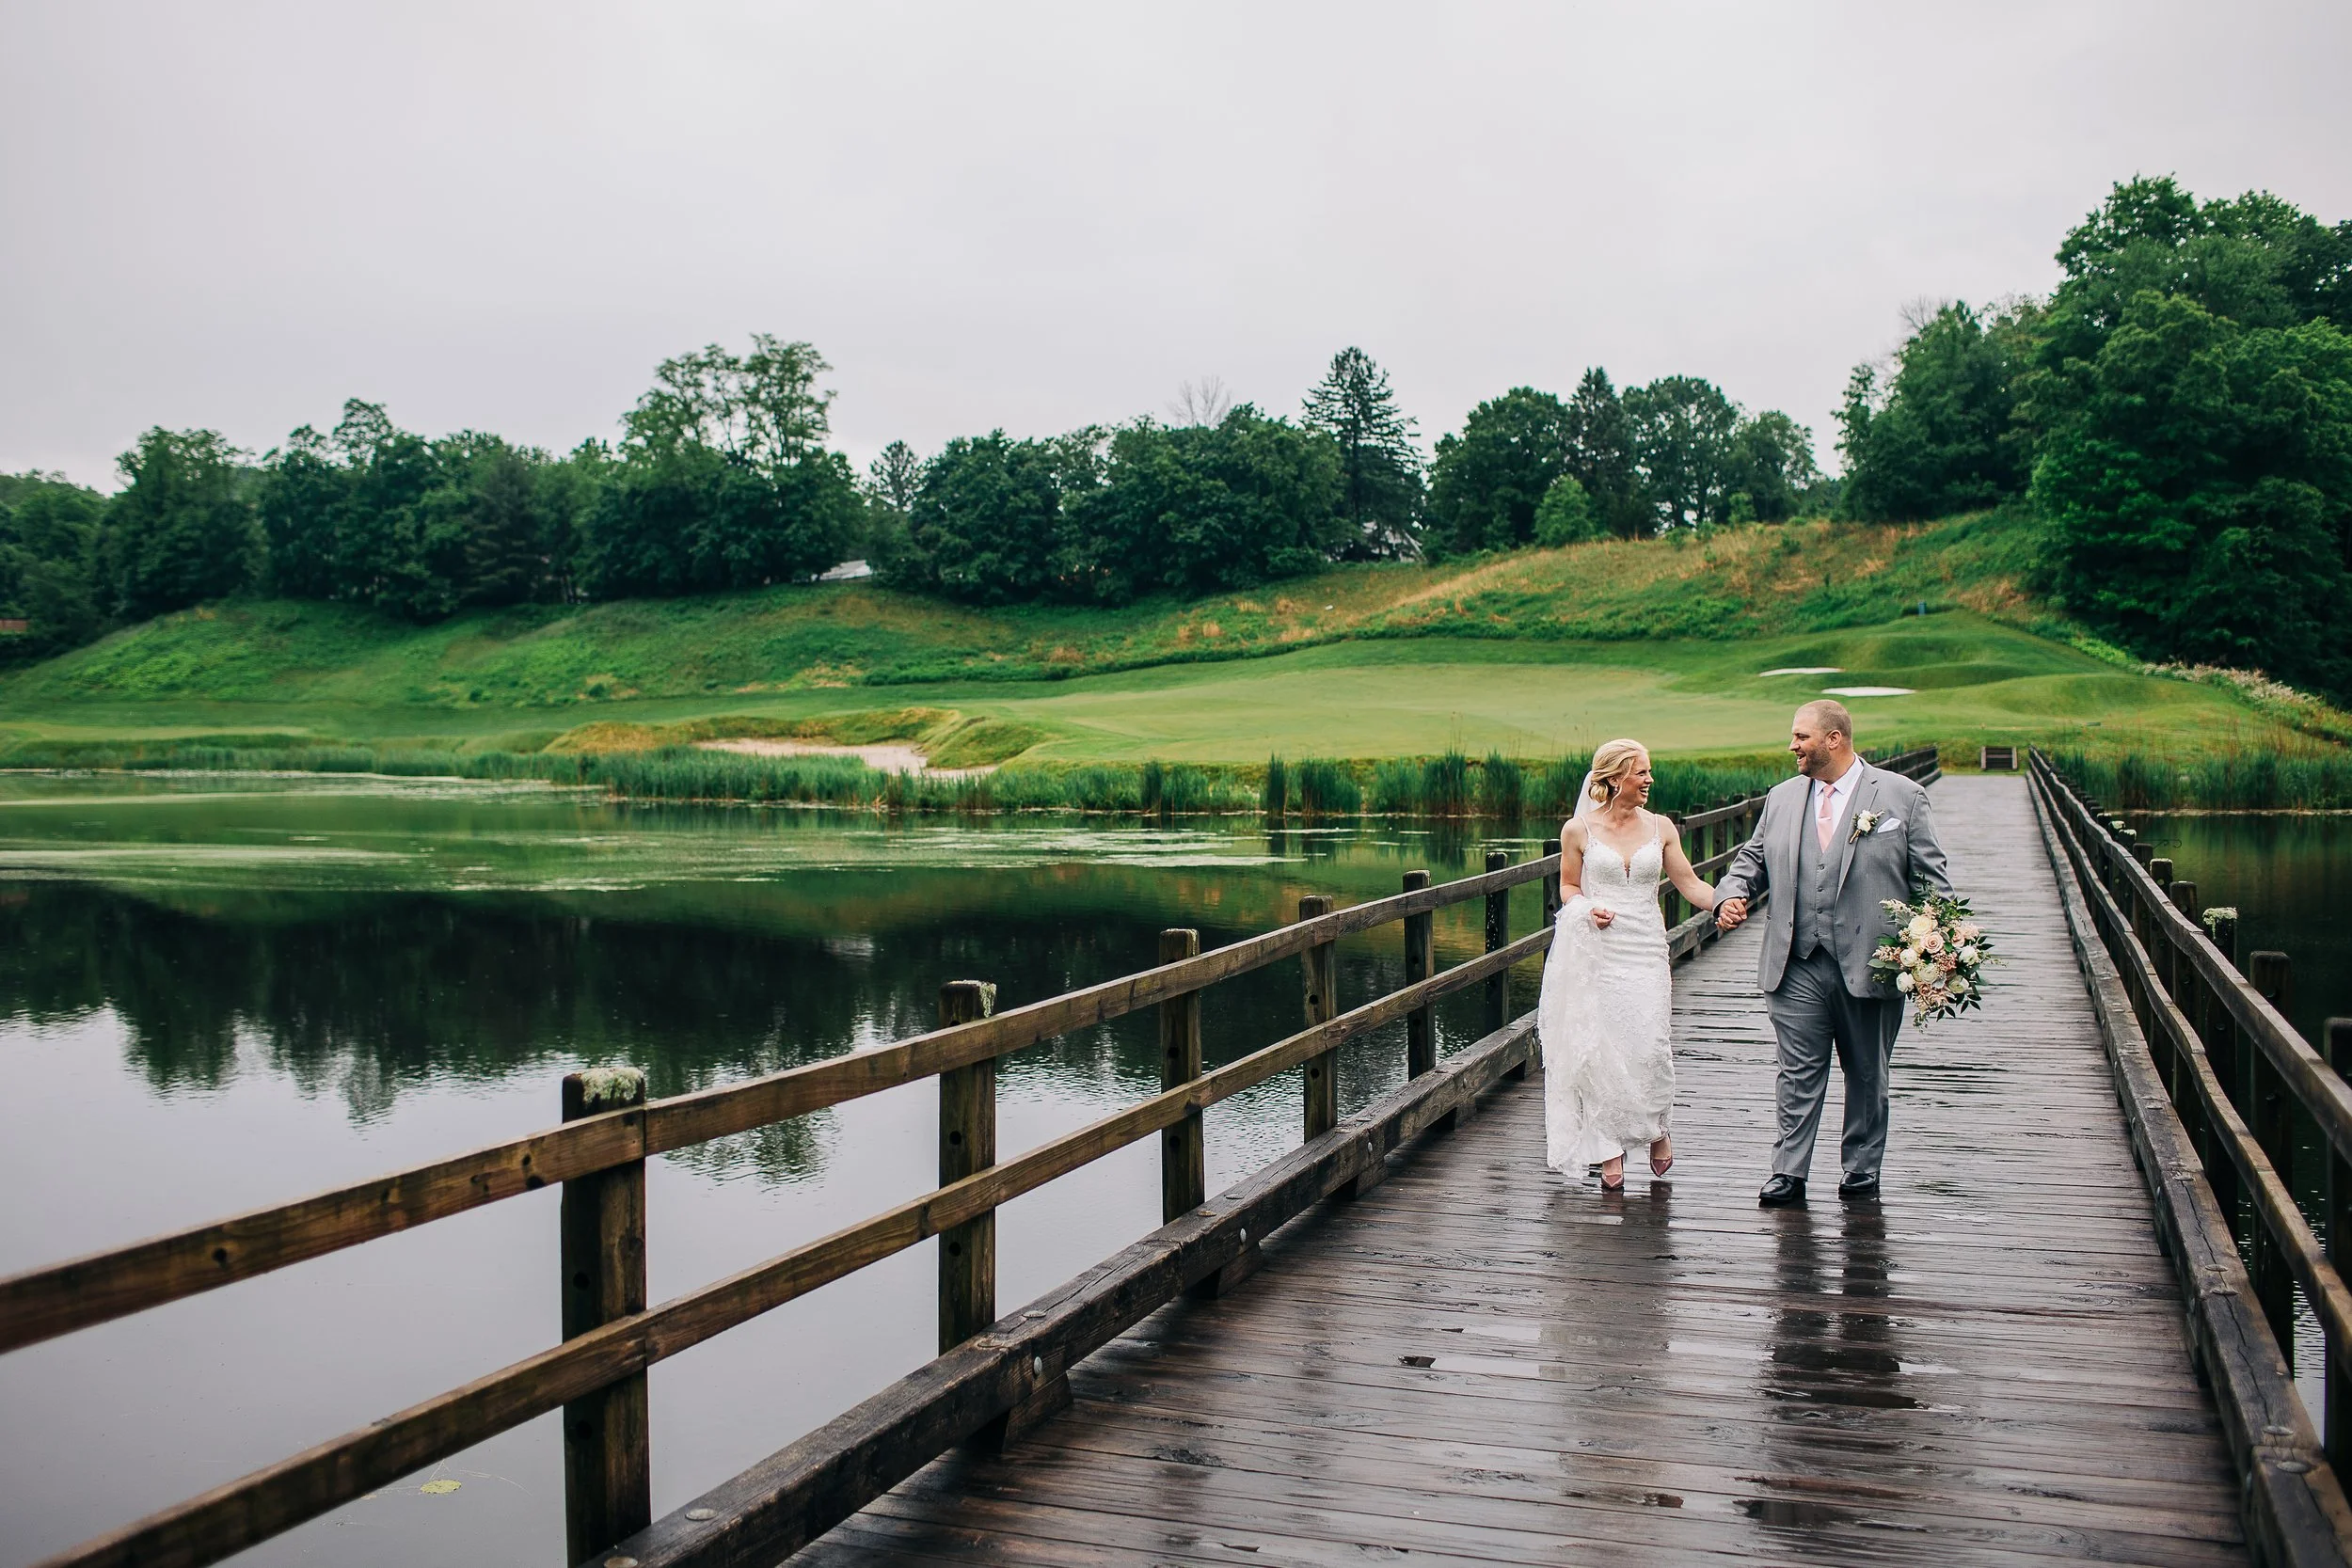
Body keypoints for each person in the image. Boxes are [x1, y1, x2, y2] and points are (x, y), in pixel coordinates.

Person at [1713, 701, 1953, 1207]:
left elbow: (1933, 884)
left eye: (1801, 737)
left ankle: (1861, 1171)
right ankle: (1788, 1171)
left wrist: (1936, 950)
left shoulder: (1901, 797)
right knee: (1797, 1070)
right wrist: (1731, 893)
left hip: (1872, 962)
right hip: (1795, 958)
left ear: (1834, 739)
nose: (1792, 746)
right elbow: (1752, 858)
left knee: (1867, 1071)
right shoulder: (1781, 797)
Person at [1537, 738, 1723, 1191]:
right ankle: (1608, 1147)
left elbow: (1691, 885)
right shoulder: (1577, 830)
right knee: (1603, 1048)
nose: (1649, 780)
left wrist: (1727, 903)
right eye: (1641, 772)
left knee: (1649, 1044)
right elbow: (1566, 887)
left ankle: (1658, 1128)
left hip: (1645, 950)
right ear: (1615, 777)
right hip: (1599, 951)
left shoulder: (1661, 828)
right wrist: (1586, 909)